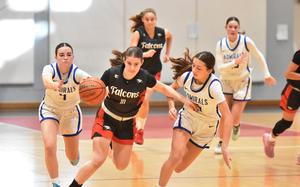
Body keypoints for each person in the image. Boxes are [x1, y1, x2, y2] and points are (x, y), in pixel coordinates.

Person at [69, 47, 197, 187]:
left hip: (128, 123)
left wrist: (184, 100)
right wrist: (83, 93)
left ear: (142, 62)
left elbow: (164, 88)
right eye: (129, 63)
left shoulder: (145, 77)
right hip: (106, 118)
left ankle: (111, 143)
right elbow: (96, 88)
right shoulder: (111, 73)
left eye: (136, 64)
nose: (132, 67)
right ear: (124, 60)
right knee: (98, 159)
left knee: (121, 165)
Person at [158, 49, 233, 187]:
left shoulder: (214, 86)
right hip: (188, 117)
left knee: (179, 168)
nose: (194, 70)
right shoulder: (186, 77)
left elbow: (228, 116)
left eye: (199, 68)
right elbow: (170, 91)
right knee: (175, 157)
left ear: (209, 70)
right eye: (193, 65)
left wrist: (225, 146)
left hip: (207, 128)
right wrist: (171, 107)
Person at [214, 16, 277, 154]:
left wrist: (266, 73)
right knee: (224, 115)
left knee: (234, 117)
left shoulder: (246, 42)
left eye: (236, 27)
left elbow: (259, 56)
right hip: (226, 81)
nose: (233, 29)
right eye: (230, 26)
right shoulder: (220, 44)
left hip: (242, 81)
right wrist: (235, 62)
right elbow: (220, 67)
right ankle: (221, 143)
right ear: (226, 28)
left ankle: (236, 126)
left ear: (239, 29)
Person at [39, 42, 90, 187]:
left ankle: (74, 154)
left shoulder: (78, 73)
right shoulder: (49, 69)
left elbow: (91, 82)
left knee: (72, 157)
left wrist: (93, 88)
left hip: (71, 113)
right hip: (50, 110)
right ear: (56, 57)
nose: (65, 58)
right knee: (49, 146)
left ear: (73, 57)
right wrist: (54, 85)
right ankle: (55, 182)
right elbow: (46, 80)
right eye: (61, 55)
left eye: (68, 55)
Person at [130, 8, 172, 145]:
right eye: (147, 19)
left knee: (146, 98)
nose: (149, 21)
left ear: (156, 20)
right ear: (143, 20)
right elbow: (131, 52)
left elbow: (170, 37)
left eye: (152, 19)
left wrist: (167, 53)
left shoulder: (162, 32)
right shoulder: (138, 33)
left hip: (154, 71)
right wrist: (144, 54)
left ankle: (140, 130)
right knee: (137, 100)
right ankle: (133, 124)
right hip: (138, 71)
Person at [263, 50, 300, 164]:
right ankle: (271, 138)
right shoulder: (299, 55)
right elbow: (288, 74)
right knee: (286, 122)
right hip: (294, 91)